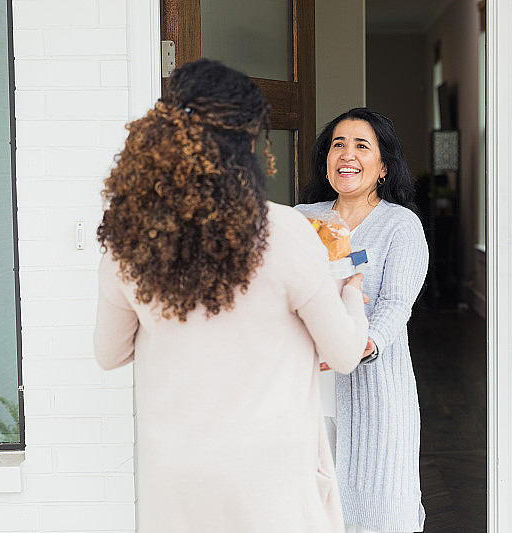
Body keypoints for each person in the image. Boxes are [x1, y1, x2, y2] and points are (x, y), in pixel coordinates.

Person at [93, 59, 369, 533]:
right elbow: (344, 354)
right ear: (250, 144)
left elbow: (109, 353)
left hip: (176, 485)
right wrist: (351, 297)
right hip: (268, 486)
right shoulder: (284, 231)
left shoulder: (130, 241)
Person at [296, 108, 429, 533]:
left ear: (383, 165)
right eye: (337, 144)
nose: (347, 154)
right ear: (326, 160)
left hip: (375, 389)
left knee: (380, 506)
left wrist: (363, 346)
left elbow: (395, 305)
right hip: (309, 384)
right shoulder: (302, 218)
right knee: (310, 503)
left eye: (361, 145)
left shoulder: (400, 225)